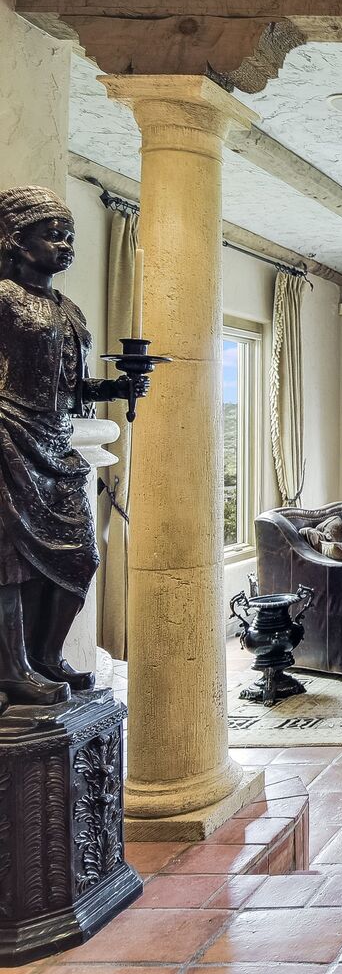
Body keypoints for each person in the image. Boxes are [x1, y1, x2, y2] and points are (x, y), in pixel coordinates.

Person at [0, 186, 144, 711]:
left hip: (56, 441)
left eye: (69, 237)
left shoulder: (69, 309)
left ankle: (45, 655)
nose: (64, 245)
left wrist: (116, 387)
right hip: (8, 436)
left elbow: (71, 387)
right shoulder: (2, 297)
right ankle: (13, 670)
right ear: (16, 240)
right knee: (10, 563)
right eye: (52, 235)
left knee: (80, 556)